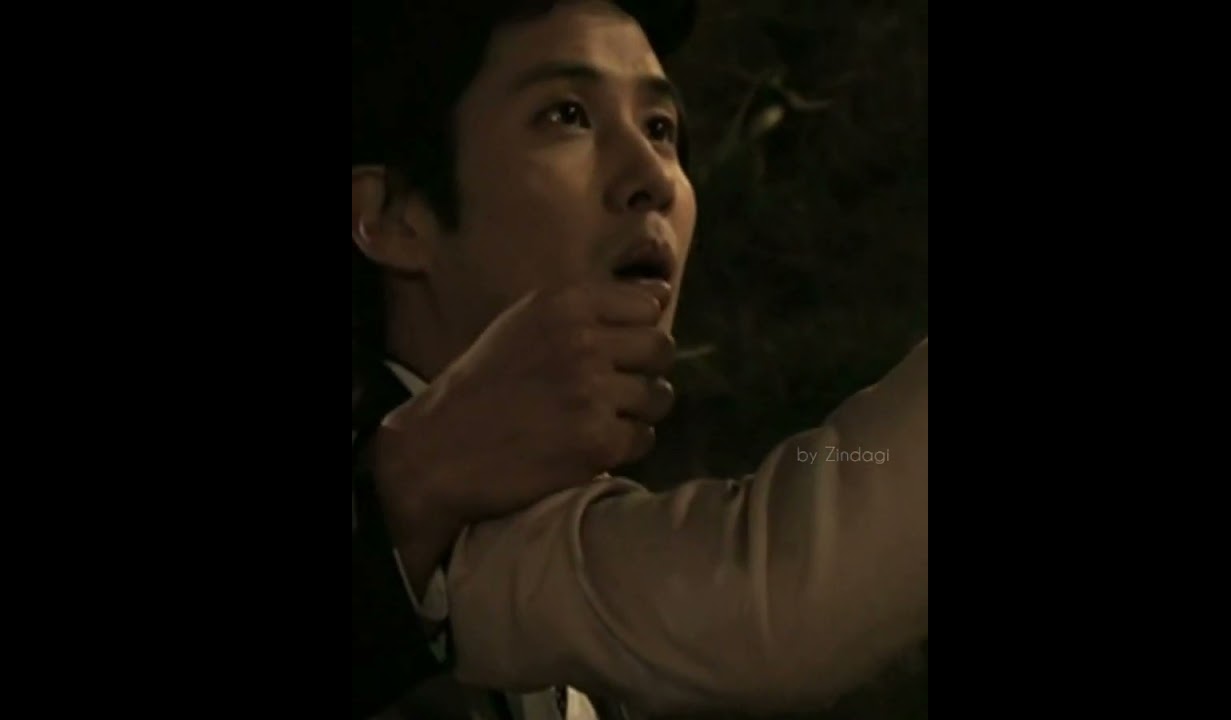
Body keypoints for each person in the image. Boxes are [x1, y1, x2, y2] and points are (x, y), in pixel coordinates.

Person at [351, 2, 928, 719]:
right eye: (567, 115)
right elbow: (773, 602)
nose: (653, 174)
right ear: (392, 216)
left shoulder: (586, 583)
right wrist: (397, 494)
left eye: (660, 128)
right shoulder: (407, 528)